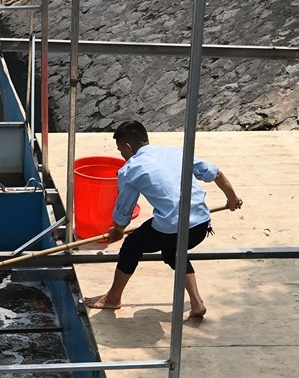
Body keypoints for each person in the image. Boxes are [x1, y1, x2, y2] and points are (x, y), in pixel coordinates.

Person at [84, 120, 243, 318]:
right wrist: (232, 198)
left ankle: (113, 298)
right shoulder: (176, 153)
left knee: (132, 246)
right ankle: (196, 303)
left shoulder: (131, 169)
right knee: (172, 250)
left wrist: (116, 232)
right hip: (201, 223)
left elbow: (124, 213)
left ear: (127, 147)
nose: (122, 156)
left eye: (120, 150)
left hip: (173, 227)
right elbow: (215, 173)